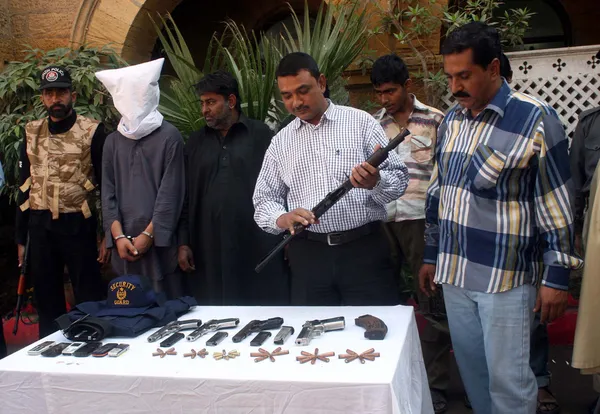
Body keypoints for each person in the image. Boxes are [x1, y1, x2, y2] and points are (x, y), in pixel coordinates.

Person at [419, 22, 582, 414]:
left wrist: (556, 277)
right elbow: (439, 192)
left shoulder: (535, 119)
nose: (455, 86)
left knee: (510, 382)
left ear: (493, 68)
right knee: (474, 374)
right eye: (450, 77)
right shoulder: (453, 121)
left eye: (465, 76)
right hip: (456, 275)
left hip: (505, 281)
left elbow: (556, 202)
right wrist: (430, 252)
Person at [253, 52, 409, 306]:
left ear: (322, 83)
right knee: (315, 336)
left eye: (302, 91)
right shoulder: (281, 141)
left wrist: (376, 182)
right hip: (308, 255)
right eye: (287, 96)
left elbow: (400, 179)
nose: (295, 102)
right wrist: (283, 218)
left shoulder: (360, 123)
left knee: (375, 334)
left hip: (364, 251)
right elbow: (263, 200)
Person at [370, 53, 450, 413]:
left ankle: (435, 387)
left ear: (407, 86)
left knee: (430, 301)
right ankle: (388, 379)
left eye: (390, 91)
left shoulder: (436, 121)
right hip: (383, 219)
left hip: (422, 220)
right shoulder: (373, 126)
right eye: (379, 93)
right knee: (383, 296)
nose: (384, 99)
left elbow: (446, 175)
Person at [177, 70, 289, 305]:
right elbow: (185, 195)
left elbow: (281, 189)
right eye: (202, 103)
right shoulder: (196, 142)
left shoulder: (261, 136)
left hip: (255, 243)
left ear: (231, 101)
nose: (204, 110)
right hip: (208, 247)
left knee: (260, 310)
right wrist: (184, 242)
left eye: (211, 102)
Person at [15, 65, 109, 338]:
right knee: (46, 293)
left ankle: (94, 341)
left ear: (73, 96)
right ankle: (50, 346)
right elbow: (24, 186)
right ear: (42, 98)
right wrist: (21, 238)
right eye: (49, 94)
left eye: (61, 93)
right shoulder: (31, 132)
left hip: (78, 223)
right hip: (40, 224)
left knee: (88, 290)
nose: (55, 99)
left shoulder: (92, 131)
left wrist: (106, 235)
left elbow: (106, 185)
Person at [96, 58, 185, 297]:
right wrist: (117, 236)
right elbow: (108, 193)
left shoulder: (170, 137)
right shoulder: (113, 141)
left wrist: (147, 235)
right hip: (123, 244)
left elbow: (171, 194)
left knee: (166, 308)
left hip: (159, 242)